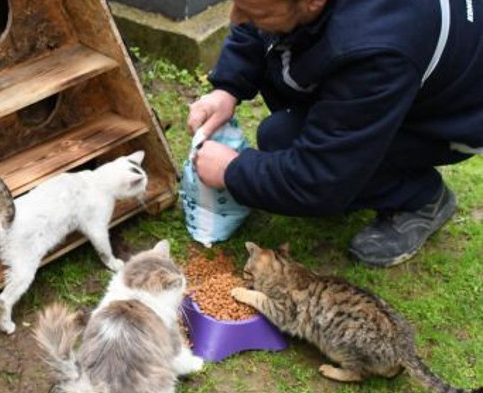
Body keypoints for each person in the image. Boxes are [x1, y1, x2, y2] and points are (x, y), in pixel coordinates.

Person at [188, 0, 482, 267]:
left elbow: (319, 178)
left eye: (258, 13)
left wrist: (231, 171)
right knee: (284, 134)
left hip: (456, 117)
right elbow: (252, 20)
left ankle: (421, 197)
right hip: (410, 68)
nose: (235, 17)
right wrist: (227, 87)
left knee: (283, 140)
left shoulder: (376, 47)